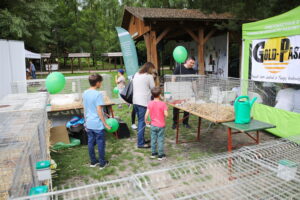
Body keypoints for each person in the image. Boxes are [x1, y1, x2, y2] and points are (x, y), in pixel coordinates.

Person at [83, 74, 111, 169]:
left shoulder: (85, 93)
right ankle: (102, 163)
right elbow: (99, 111)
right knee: (100, 144)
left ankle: (93, 162)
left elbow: (85, 108)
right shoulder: (98, 94)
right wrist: (105, 124)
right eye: (101, 82)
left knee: (90, 143)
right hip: (97, 124)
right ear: (98, 82)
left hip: (89, 123)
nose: (101, 84)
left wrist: (85, 121)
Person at [133, 62, 155, 148]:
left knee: (140, 121)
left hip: (135, 101)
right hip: (143, 102)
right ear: (150, 68)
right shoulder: (149, 76)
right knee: (142, 122)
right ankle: (140, 143)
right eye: (152, 69)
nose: (153, 70)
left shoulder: (136, 74)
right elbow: (153, 89)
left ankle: (141, 139)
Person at [172, 57, 196, 129]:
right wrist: (174, 87)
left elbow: (194, 82)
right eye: (191, 62)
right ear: (187, 61)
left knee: (187, 107)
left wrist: (195, 91)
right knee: (176, 107)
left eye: (193, 63)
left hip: (187, 91)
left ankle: (185, 122)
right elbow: (173, 77)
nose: (192, 64)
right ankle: (175, 123)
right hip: (178, 90)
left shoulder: (193, 71)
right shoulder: (179, 67)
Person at [145, 87, 168, 161]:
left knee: (153, 139)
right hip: (161, 125)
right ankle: (160, 155)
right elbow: (166, 115)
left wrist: (145, 120)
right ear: (160, 94)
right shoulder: (163, 104)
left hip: (153, 125)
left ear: (152, 94)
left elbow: (146, 114)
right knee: (160, 140)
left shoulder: (150, 103)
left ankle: (153, 153)